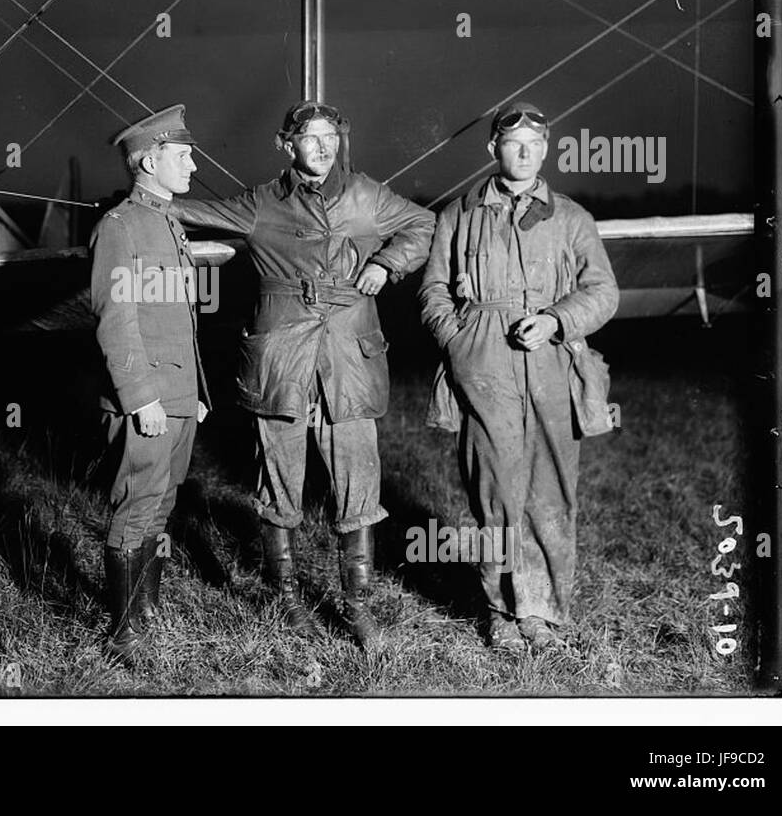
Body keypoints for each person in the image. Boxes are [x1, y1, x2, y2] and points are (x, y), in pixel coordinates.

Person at [172, 101, 434, 651]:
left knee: (358, 478)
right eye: (310, 138)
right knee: (280, 475)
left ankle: (357, 603)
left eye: (331, 136)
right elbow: (194, 212)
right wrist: (143, 200)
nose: (323, 147)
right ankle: (286, 596)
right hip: (282, 362)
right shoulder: (261, 204)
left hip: (350, 362)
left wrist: (388, 264)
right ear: (285, 145)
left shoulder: (367, 196)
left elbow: (423, 223)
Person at [419, 101, 619, 651]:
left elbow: (603, 292)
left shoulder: (573, 217)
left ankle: (546, 614)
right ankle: (503, 613)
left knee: (552, 488)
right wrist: (459, 342)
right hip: (484, 362)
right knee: (496, 488)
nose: (525, 152)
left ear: (547, 148)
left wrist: (558, 317)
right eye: (514, 143)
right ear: (494, 150)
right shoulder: (458, 215)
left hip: (554, 361)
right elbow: (434, 289)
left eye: (536, 142)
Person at [89, 104, 210, 665]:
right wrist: (142, 399)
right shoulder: (120, 227)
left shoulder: (169, 222)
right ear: (147, 160)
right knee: (136, 509)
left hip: (178, 395)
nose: (191, 163)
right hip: (148, 399)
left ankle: (145, 611)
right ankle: (123, 633)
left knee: (162, 506)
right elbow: (117, 320)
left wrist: (195, 397)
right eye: (181, 154)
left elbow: (179, 322)